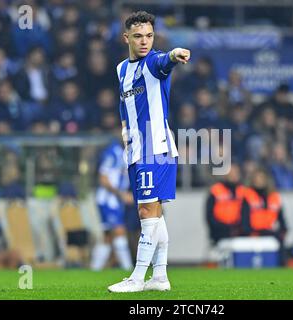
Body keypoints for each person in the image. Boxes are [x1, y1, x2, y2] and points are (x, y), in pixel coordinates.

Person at [107, 11, 190, 293]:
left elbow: (165, 60)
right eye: (139, 36)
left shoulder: (154, 63)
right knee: (154, 211)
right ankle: (161, 277)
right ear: (126, 38)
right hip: (136, 150)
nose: (145, 42)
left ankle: (137, 278)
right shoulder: (121, 69)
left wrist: (175, 53)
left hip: (155, 149)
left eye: (150, 36)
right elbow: (124, 105)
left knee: (146, 211)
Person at [91, 130, 134, 271]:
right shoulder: (112, 153)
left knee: (108, 237)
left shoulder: (126, 152)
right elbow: (103, 178)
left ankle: (94, 269)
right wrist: (121, 194)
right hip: (108, 200)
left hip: (115, 201)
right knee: (119, 231)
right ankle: (128, 269)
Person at [241, 168, 287, 265]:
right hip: (254, 232)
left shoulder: (274, 197)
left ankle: (281, 265)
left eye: (262, 178)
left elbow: (281, 219)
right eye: (257, 178)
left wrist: (283, 230)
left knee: (279, 239)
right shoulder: (248, 195)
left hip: (270, 231)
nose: (259, 180)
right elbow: (244, 218)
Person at [206, 164, 245, 244]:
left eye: (235, 173)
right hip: (219, 232)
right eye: (231, 173)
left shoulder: (243, 191)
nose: (233, 175)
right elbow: (209, 215)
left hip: (239, 231)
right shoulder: (216, 190)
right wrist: (221, 228)